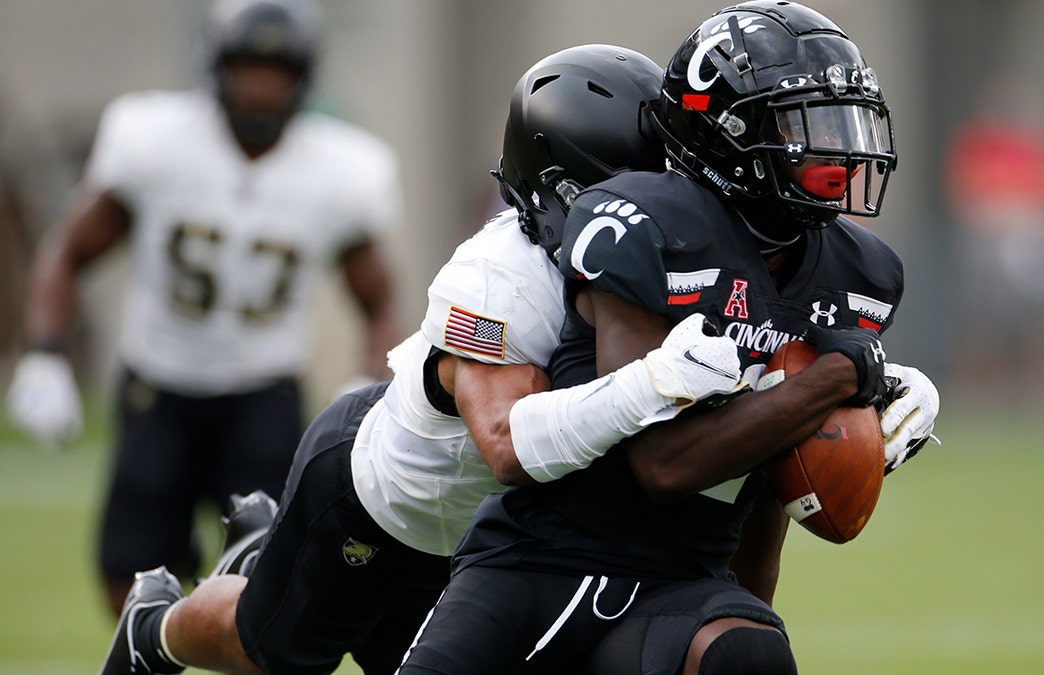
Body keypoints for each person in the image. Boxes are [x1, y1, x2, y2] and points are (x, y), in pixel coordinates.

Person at [98, 43, 748, 675]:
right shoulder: (500, 280)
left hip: (479, 539)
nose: (663, 210)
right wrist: (654, 382)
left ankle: (257, 555)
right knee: (265, 651)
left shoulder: (647, 262)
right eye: (642, 189)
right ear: (567, 191)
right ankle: (154, 628)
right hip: (376, 504)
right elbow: (506, 443)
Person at [398, 3, 939, 674]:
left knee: (749, 653)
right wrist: (832, 379)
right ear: (732, 133)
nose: (840, 151)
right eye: (809, 127)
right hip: (541, 565)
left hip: (681, 580)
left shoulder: (860, 269)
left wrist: (868, 406)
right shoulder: (644, 224)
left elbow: (770, 479)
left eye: (844, 121)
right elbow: (659, 464)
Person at [5, 0, 404, 616]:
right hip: (159, 384)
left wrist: (371, 381)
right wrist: (46, 354)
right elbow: (69, 249)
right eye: (249, 72)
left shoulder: (342, 169)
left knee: (264, 579)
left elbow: (377, 297)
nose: (261, 93)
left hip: (263, 395)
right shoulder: (156, 140)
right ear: (216, 69)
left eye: (277, 76)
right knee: (130, 579)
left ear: (304, 80)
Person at [942, 77, 1044, 409]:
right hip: (987, 244)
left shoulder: (1041, 148)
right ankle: (981, 391)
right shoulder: (975, 147)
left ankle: (1042, 392)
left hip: (1030, 242)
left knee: (1039, 320)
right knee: (983, 320)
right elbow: (964, 194)